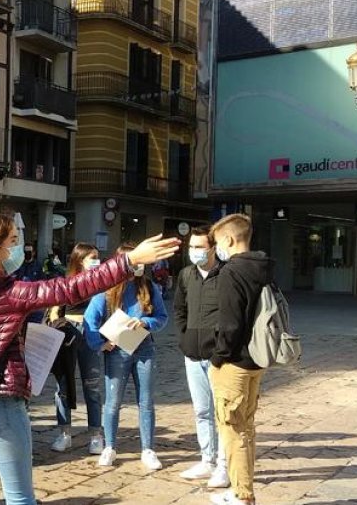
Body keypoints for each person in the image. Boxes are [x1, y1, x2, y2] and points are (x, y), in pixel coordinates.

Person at [0, 213, 179, 505]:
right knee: (20, 498)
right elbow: (69, 289)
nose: (19, 248)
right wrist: (128, 261)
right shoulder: (10, 292)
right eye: (13, 241)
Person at [85, 243, 170, 471]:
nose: (137, 266)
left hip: (144, 349)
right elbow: (90, 319)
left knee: (146, 401)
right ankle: (110, 446)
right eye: (133, 262)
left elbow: (162, 317)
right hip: (117, 351)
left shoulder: (149, 287)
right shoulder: (107, 290)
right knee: (113, 402)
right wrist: (100, 344)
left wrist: (146, 322)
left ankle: (148, 449)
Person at [208, 213, 271, 505]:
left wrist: (218, 358)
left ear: (229, 239)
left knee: (233, 431)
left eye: (217, 241)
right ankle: (242, 490)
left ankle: (242, 494)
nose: (215, 248)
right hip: (257, 359)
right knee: (246, 427)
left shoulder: (232, 272)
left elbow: (229, 324)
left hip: (234, 362)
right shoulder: (265, 266)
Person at [174, 225, 231, 488]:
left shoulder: (227, 275)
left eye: (200, 247)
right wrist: (185, 338)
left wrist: (223, 347)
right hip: (193, 354)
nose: (195, 252)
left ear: (213, 249)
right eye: (192, 247)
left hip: (219, 357)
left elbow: (234, 316)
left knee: (223, 413)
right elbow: (179, 310)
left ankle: (224, 465)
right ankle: (206, 460)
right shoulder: (186, 275)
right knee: (202, 411)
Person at [45, 244, 107, 455]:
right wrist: (59, 329)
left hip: (92, 335)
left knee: (93, 386)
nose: (96, 261)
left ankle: (96, 434)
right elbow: (55, 311)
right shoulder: (68, 283)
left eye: (97, 257)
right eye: (92, 257)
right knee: (63, 387)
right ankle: (64, 433)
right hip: (69, 334)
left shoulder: (101, 284)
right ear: (80, 260)